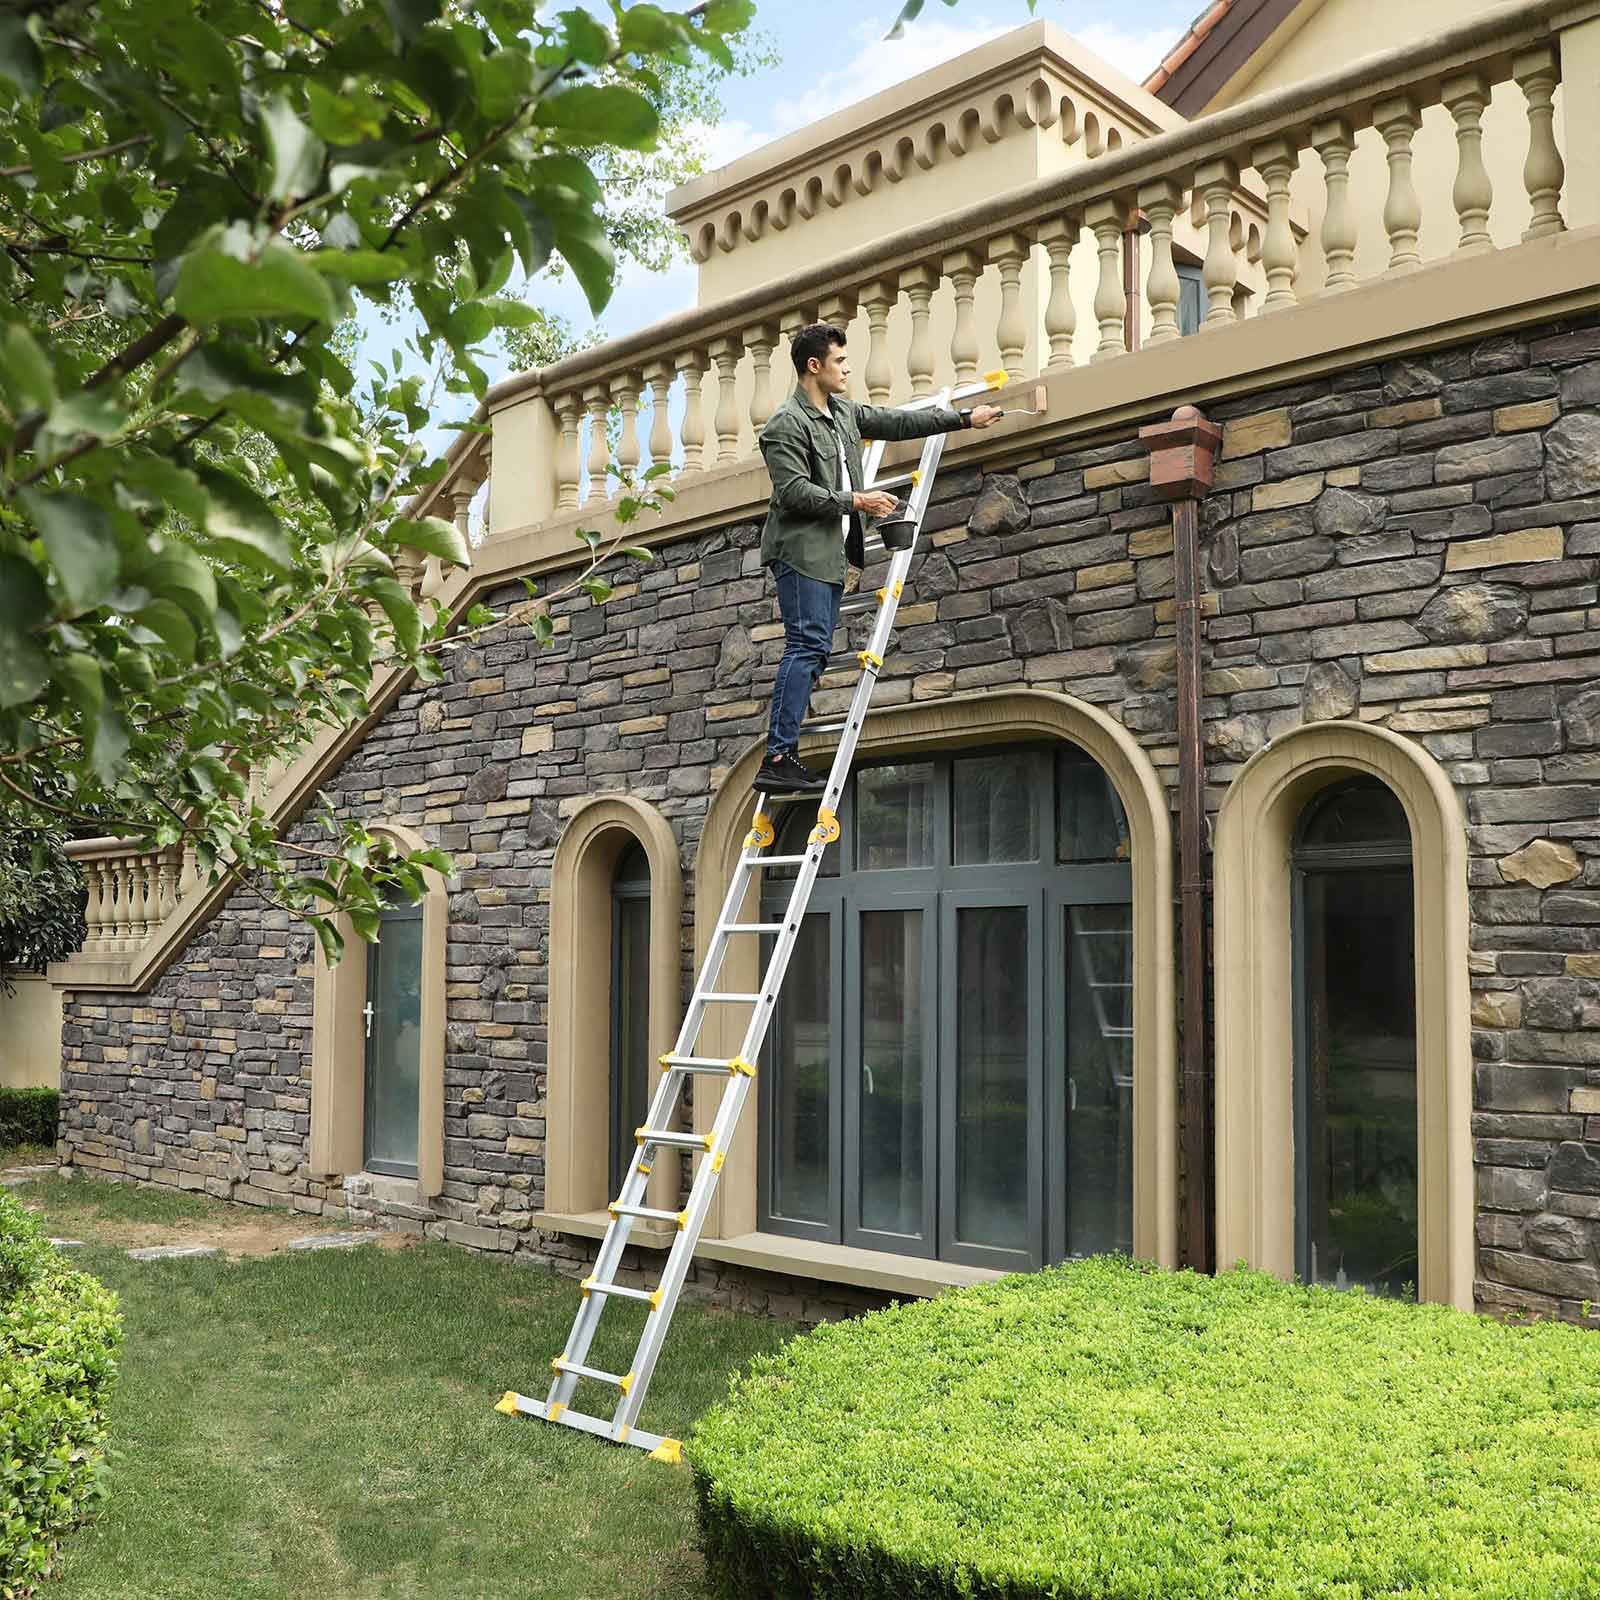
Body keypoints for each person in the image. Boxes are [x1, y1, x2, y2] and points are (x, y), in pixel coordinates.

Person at [754, 322, 1002, 795]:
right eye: (840, 361)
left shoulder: (844, 412)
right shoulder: (786, 425)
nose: (847, 369)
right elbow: (792, 493)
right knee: (806, 646)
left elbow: (900, 422)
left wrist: (965, 418)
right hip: (800, 552)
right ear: (814, 366)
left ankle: (784, 750)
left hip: (829, 555)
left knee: (816, 650)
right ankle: (779, 756)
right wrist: (859, 501)